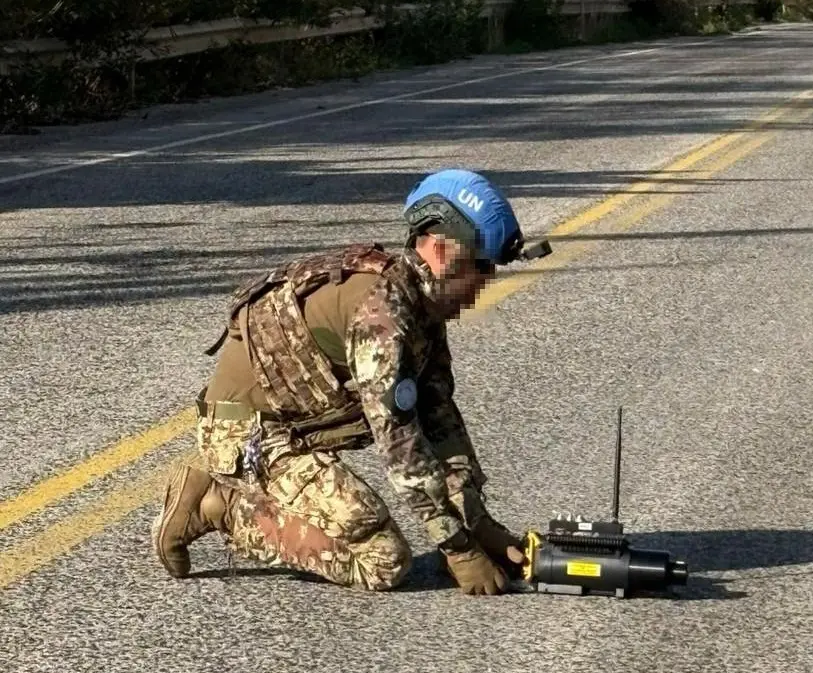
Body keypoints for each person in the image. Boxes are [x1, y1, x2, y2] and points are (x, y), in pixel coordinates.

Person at [150, 169, 549, 595]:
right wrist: (457, 548)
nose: (484, 283)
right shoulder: (384, 317)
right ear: (437, 249)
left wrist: (479, 526)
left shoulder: (422, 305)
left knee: (390, 508)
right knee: (384, 561)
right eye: (478, 266)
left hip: (298, 426)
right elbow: (400, 444)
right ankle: (218, 504)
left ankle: (232, 491)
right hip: (250, 435)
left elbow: (439, 420)